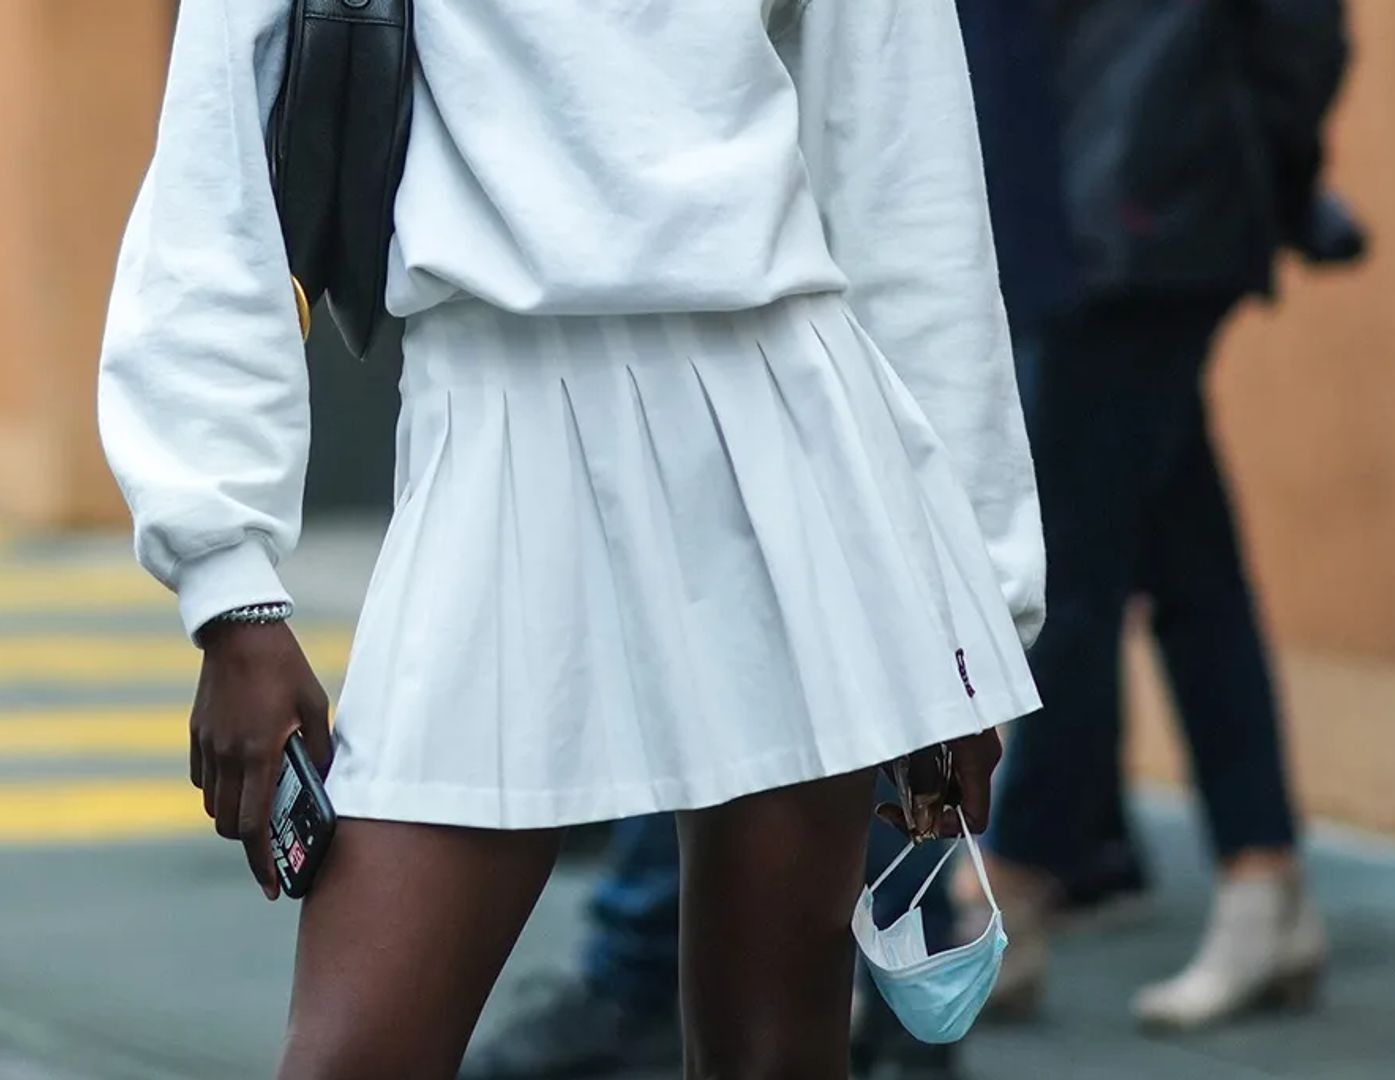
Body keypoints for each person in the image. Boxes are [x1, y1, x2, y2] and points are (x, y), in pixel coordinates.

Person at [98, 2, 1043, 1076]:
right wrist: (229, 587)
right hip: (496, 434)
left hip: (781, 426)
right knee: (354, 1055)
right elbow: (215, 174)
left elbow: (906, 180)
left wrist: (963, 613)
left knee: (775, 1052)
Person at [457, 3, 1074, 1077]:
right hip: (498, 409)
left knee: (780, 969)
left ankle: (682, 972)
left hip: (785, 395)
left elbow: (910, 208)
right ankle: (663, 968)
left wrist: (970, 623)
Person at [974, 0, 1351, 1030]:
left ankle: (1007, 888)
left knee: (1066, 573)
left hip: (1133, 214)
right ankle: (1263, 881)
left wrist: (1256, 172)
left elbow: (1300, 34)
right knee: (1187, 562)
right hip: (1082, 210)